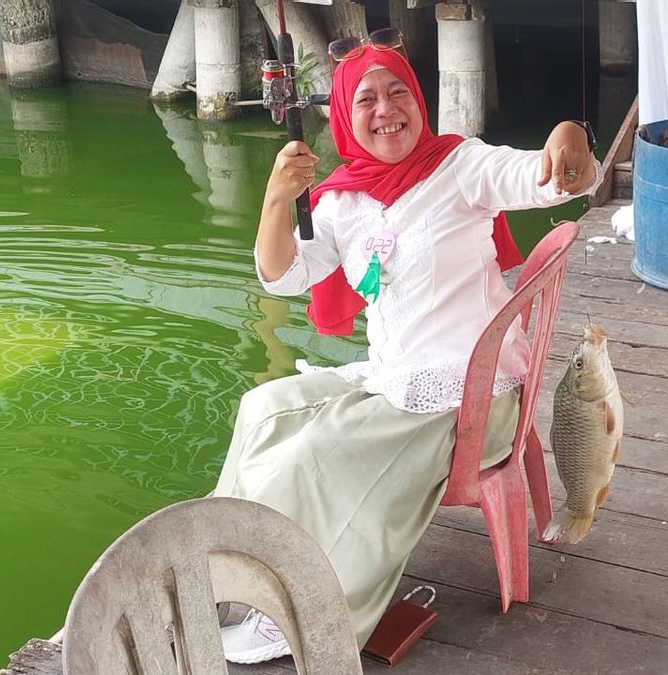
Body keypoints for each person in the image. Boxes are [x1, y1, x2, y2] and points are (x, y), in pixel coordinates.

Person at [214, 31, 600, 664]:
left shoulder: (460, 166)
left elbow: (546, 178)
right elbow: (284, 277)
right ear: (343, 114)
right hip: (395, 380)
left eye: (399, 92)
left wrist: (568, 139)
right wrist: (277, 200)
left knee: (310, 456)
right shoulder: (339, 198)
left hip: (471, 398)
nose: (386, 109)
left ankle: (304, 609)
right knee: (262, 410)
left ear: (420, 101)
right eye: (366, 98)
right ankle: (230, 573)